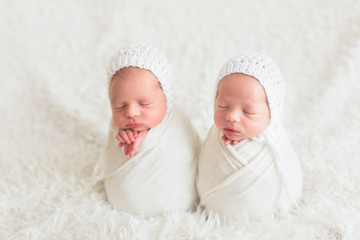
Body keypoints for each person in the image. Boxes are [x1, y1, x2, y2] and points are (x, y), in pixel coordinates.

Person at [196, 53, 303, 223]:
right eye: (222, 106)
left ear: (272, 114)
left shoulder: (275, 143)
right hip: (217, 216)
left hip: (267, 216)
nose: (231, 117)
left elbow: (290, 173)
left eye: (249, 112)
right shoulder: (214, 138)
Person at [94, 44, 200, 215]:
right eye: (119, 106)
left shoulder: (178, 125)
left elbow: (187, 155)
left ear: (167, 99)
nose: (131, 113)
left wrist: (147, 138)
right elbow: (114, 152)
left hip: (176, 203)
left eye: (144, 104)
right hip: (123, 205)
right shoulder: (119, 128)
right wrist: (121, 140)